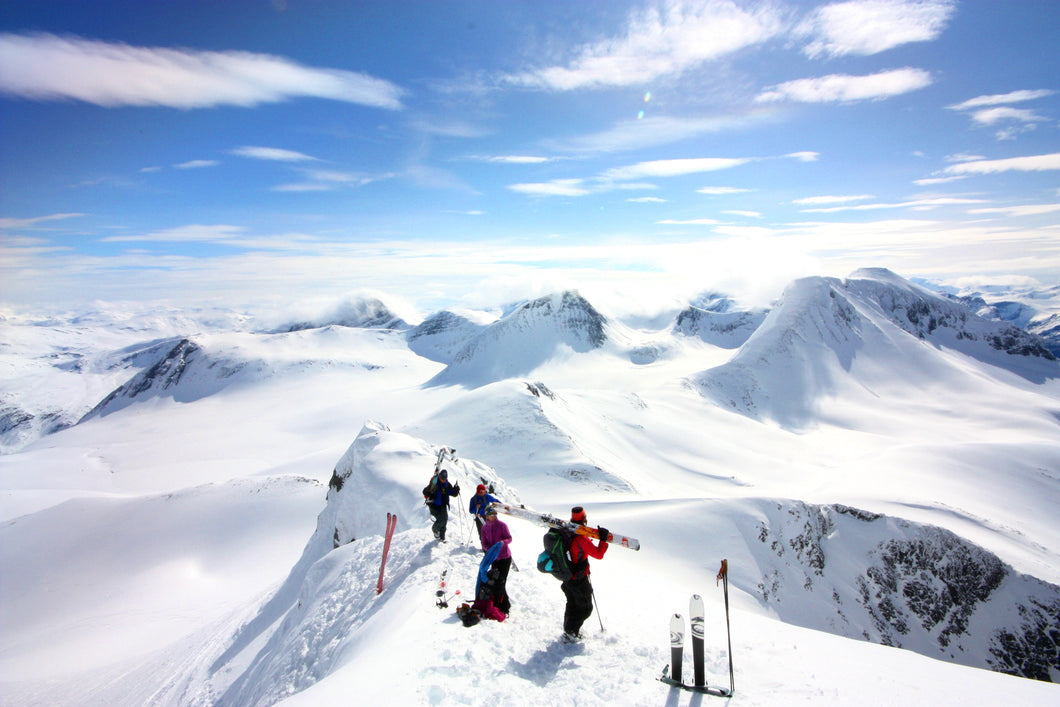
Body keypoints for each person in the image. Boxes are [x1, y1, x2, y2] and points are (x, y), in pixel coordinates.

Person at [561, 506, 609, 642]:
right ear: (584, 519)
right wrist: (603, 540)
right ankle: (571, 632)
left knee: (572, 603)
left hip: (568, 576)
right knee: (585, 608)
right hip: (579, 578)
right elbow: (598, 554)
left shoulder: (567, 531)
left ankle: (569, 629)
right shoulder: (581, 538)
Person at [478, 506, 512, 615]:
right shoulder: (484, 528)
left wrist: (502, 543)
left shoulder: (502, 525)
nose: (493, 516)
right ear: (487, 516)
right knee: (496, 582)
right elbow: (484, 543)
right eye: (491, 515)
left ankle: (503, 608)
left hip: (505, 558)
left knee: (501, 582)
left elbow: (509, 538)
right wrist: (490, 550)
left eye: (494, 514)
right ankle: (503, 604)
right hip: (494, 559)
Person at [422, 468, 460, 542]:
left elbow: (451, 492)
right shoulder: (434, 483)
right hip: (434, 505)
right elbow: (425, 491)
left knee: (444, 520)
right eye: (442, 478)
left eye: (445, 478)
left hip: (442, 505)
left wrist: (456, 490)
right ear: (439, 477)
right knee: (441, 520)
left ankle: (442, 538)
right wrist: (431, 495)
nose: (443, 480)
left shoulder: (447, 484)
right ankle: (435, 530)